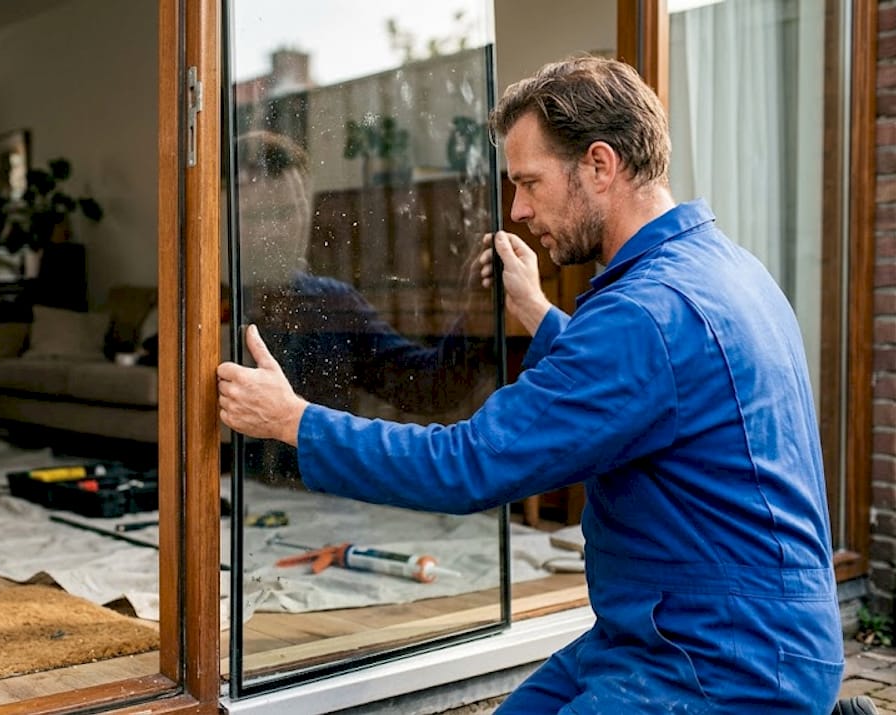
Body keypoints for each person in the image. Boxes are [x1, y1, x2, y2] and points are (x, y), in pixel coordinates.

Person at [218, 56, 854, 713]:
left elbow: (465, 466)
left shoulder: (643, 315)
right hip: (664, 627)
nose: (518, 210)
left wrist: (295, 420)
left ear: (600, 165)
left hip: (728, 656)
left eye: (529, 182)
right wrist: (539, 313)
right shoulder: (717, 266)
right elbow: (641, 390)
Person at [231, 130, 495, 483]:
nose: (283, 230)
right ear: (226, 219)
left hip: (313, 507)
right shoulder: (199, 303)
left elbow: (426, 387)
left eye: (292, 211)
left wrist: (476, 313)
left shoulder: (330, 302)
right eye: (263, 215)